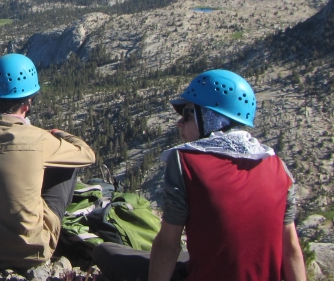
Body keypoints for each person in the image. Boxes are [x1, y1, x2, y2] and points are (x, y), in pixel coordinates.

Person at [92, 69, 306, 281]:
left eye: (187, 114)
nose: (180, 122)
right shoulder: (278, 167)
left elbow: (169, 245)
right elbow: (291, 249)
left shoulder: (186, 162)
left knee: (107, 253)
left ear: (210, 117)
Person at [0, 53, 96, 269]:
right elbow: (87, 155)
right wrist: (59, 133)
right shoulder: (38, 138)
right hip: (30, 253)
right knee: (68, 166)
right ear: (27, 103)